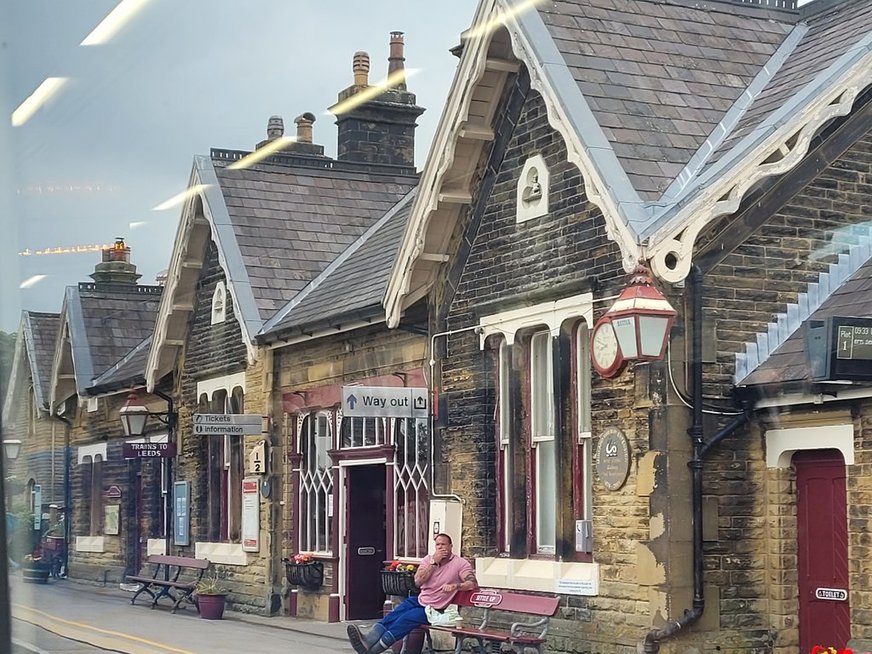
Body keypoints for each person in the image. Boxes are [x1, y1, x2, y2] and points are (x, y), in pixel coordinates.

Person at [347, 533, 478, 654]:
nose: (440, 548)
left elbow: (472, 583)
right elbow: (418, 582)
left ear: (450, 546)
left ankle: (373, 651)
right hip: (420, 600)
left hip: (435, 609)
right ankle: (368, 640)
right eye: (438, 545)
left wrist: (456, 586)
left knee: (405, 619)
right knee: (394, 615)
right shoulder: (428, 560)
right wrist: (433, 563)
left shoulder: (460, 563)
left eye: (444, 544)